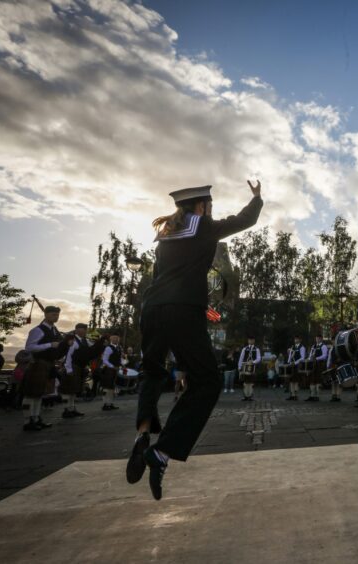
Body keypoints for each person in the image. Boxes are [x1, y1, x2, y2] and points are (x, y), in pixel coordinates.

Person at [127, 180, 263, 500]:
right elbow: (245, 221)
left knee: (152, 371)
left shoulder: (166, 234)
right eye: (210, 205)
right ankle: (161, 453)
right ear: (202, 206)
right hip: (184, 309)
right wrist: (256, 198)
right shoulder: (201, 226)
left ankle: (143, 432)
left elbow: (159, 273)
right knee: (208, 381)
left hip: (153, 309)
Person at [23, 305, 66, 431]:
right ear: (46, 315)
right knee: (31, 393)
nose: (56, 317)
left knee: (40, 393)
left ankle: (36, 418)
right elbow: (29, 347)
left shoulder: (54, 331)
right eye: (53, 314)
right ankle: (27, 421)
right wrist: (50, 344)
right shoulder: (38, 330)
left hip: (48, 364)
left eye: (57, 314)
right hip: (37, 363)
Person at [62, 323, 93, 419]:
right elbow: (68, 356)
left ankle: (72, 409)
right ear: (77, 330)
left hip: (80, 368)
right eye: (82, 330)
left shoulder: (84, 341)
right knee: (69, 390)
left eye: (85, 330)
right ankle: (66, 410)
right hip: (72, 367)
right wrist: (69, 369)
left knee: (74, 390)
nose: (84, 332)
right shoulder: (73, 341)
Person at [100, 334, 123, 411]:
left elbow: (119, 359)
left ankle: (110, 403)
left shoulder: (119, 348)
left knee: (112, 387)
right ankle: (105, 404)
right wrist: (112, 366)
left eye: (117, 338)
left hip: (115, 369)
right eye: (114, 338)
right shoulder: (108, 348)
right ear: (111, 339)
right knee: (107, 387)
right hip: (109, 370)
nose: (116, 339)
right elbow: (104, 360)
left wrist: (122, 365)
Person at [238, 336, 261, 402]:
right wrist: (239, 367)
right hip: (245, 367)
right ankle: (245, 396)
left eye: (252, 340)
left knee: (251, 382)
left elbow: (259, 358)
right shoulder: (244, 349)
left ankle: (250, 396)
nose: (251, 341)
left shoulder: (257, 349)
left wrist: (253, 362)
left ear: (254, 341)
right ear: (248, 341)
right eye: (249, 340)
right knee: (245, 382)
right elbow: (241, 358)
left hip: (252, 367)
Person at [307, 334, 328, 402]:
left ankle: (317, 396)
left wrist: (316, 358)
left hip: (319, 364)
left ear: (321, 339)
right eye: (316, 338)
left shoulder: (324, 346)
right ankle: (312, 395)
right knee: (312, 380)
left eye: (319, 338)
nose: (317, 340)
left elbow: (324, 356)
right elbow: (310, 355)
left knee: (318, 380)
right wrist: (309, 358)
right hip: (312, 364)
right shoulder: (313, 346)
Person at [286, 335, 306, 401]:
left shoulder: (302, 347)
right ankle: (292, 395)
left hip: (297, 365)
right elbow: (290, 356)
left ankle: (296, 395)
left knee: (296, 381)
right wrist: (289, 362)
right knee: (291, 381)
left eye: (297, 339)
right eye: (295, 339)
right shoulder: (292, 347)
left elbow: (302, 358)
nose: (296, 340)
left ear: (300, 340)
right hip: (291, 365)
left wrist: (295, 363)